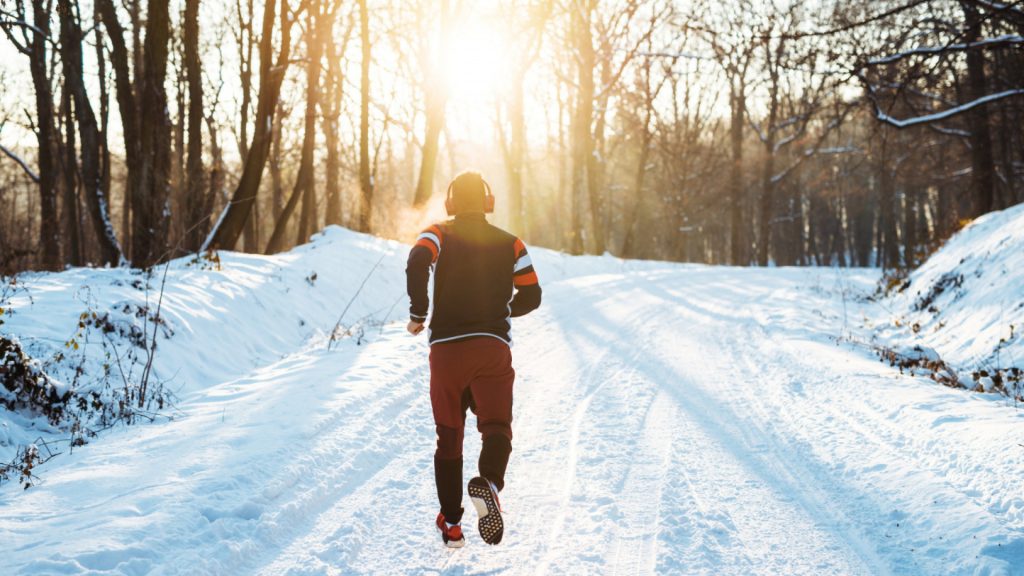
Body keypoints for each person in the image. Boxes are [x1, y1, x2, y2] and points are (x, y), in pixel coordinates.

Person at [406, 170, 542, 548]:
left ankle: (451, 526)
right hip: (491, 348)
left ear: (450, 203)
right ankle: (491, 485)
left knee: (449, 437)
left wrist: (419, 313)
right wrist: (498, 312)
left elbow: (418, 260)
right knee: (496, 426)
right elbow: (532, 296)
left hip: (446, 352)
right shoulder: (511, 243)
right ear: (487, 203)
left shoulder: (438, 232)